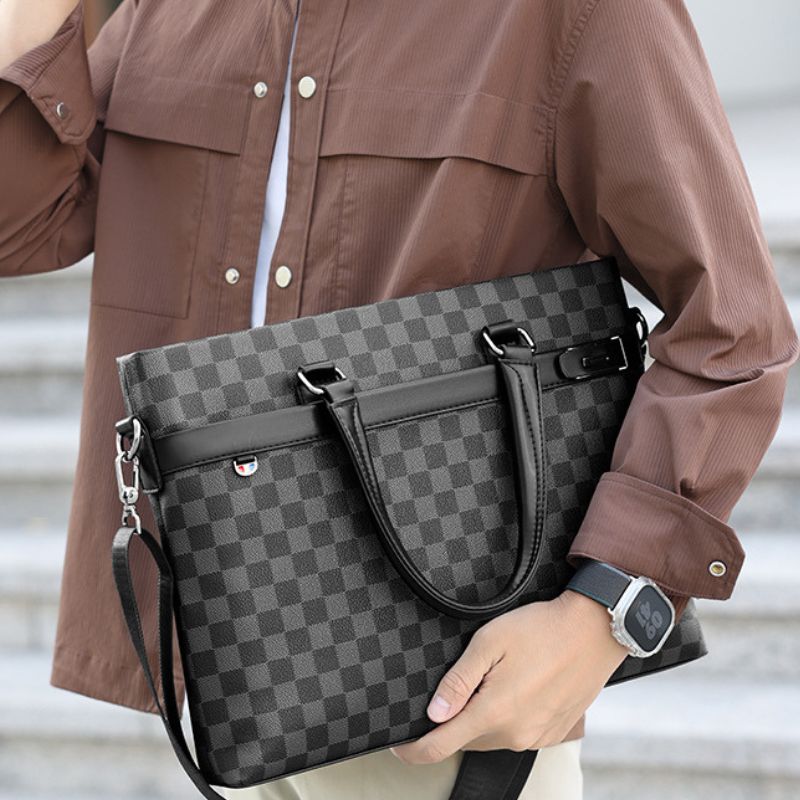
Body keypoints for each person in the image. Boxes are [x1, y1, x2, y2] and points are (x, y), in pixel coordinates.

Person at [0, 1, 797, 799]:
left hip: (438, 689)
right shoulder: (165, 11)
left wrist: (606, 610)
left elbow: (733, 328)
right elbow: (17, 225)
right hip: (221, 664)